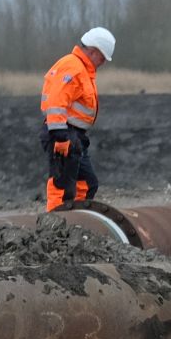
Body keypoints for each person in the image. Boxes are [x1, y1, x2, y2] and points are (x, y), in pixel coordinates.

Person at [41, 26, 116, 211]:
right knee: (62, 186)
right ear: (92, 51)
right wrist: (60, 135)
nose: (103, 63)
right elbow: (57, 100)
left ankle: (79, 222)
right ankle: (54, 226)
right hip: (64, 133)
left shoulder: (82, 69)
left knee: (87, 184)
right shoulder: (72, 67)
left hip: (75, 135)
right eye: (102, 58)